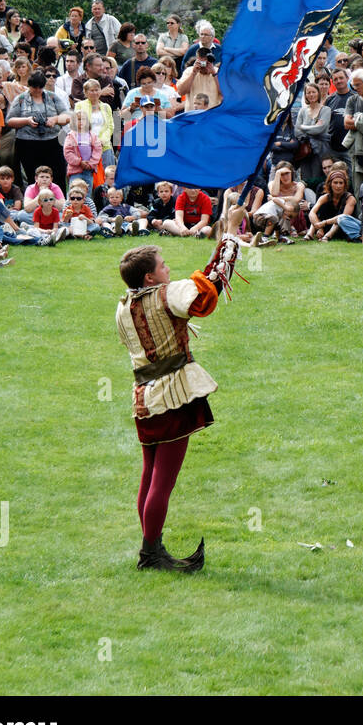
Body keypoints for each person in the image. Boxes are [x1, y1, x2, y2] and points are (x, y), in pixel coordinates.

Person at [116, 240, 240, 571]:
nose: (168, 269)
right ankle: (151, 554)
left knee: (150, 475)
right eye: (163, 265)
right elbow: (202, 300)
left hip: (144, 397)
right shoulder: (166, 294)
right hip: (173, 396)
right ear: (150, 279)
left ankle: (150, 549)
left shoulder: (123, 306)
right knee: (162, 482)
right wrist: (227, 250)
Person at [6, 71, 71, 189]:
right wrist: (27, 121)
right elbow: (9, 121)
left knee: (58, 175)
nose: (37, 90)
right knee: (32, 176)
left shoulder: (52, 97)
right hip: (27, 143)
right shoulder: (21, 99)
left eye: (40, 87)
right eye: (33, 87)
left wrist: (55, 119)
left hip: (52, 141)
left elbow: (67, 116)